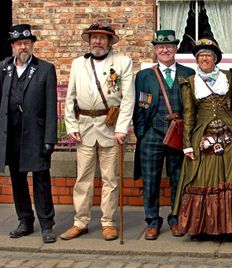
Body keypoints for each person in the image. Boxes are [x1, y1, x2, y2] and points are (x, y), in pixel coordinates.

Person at [61, 21, 135, 241]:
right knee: (82, 178)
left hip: (110, 128)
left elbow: (128, 98)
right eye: (94, 37)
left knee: (110, 180)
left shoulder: (123, 62)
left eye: (103, 37)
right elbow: (70, 97)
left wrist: (122, 128)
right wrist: (71, 126)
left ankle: (108, 222)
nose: (98, 41)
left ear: (110, 41)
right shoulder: (78, 64)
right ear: (89, 40)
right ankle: (80, 222)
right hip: (84, 127)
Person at [172, 38, 232, 240]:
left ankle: (229, 227)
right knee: (201, 178)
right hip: (202, 137)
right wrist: (187, 145)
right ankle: (201, 228)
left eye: (208, 55)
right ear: (196, 60)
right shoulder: (190, 82)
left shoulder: (228, 78)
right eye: (201, 56)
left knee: (230, 178)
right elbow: (189, 115)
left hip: (230, 138)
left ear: (215, 59)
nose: (204, 58)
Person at [133, 30, 195, 240]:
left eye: (169, 46)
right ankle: (152, 221)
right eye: (160, 47)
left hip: (178, 133)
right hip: (152, 134)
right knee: (150, 180)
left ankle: (176, 219)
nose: (165, 50)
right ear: (156, 50)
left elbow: (193, 106)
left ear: (176, 48)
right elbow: (140, 106)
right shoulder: (144, 76)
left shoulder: (188, 73)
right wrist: (142, 133)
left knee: (178, 179)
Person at [0, 24, 57, 243]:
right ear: (13, 47)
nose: (23, 47)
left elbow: (51, 107)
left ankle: (46, 224)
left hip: (36, 134)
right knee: (18, 181)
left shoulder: (45, 69)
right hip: (12, 136)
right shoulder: (4, 68)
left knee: (41, 180)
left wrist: (50, 138)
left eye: (26, 43)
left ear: (32, 44)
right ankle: (25, 220)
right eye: (18, 44)